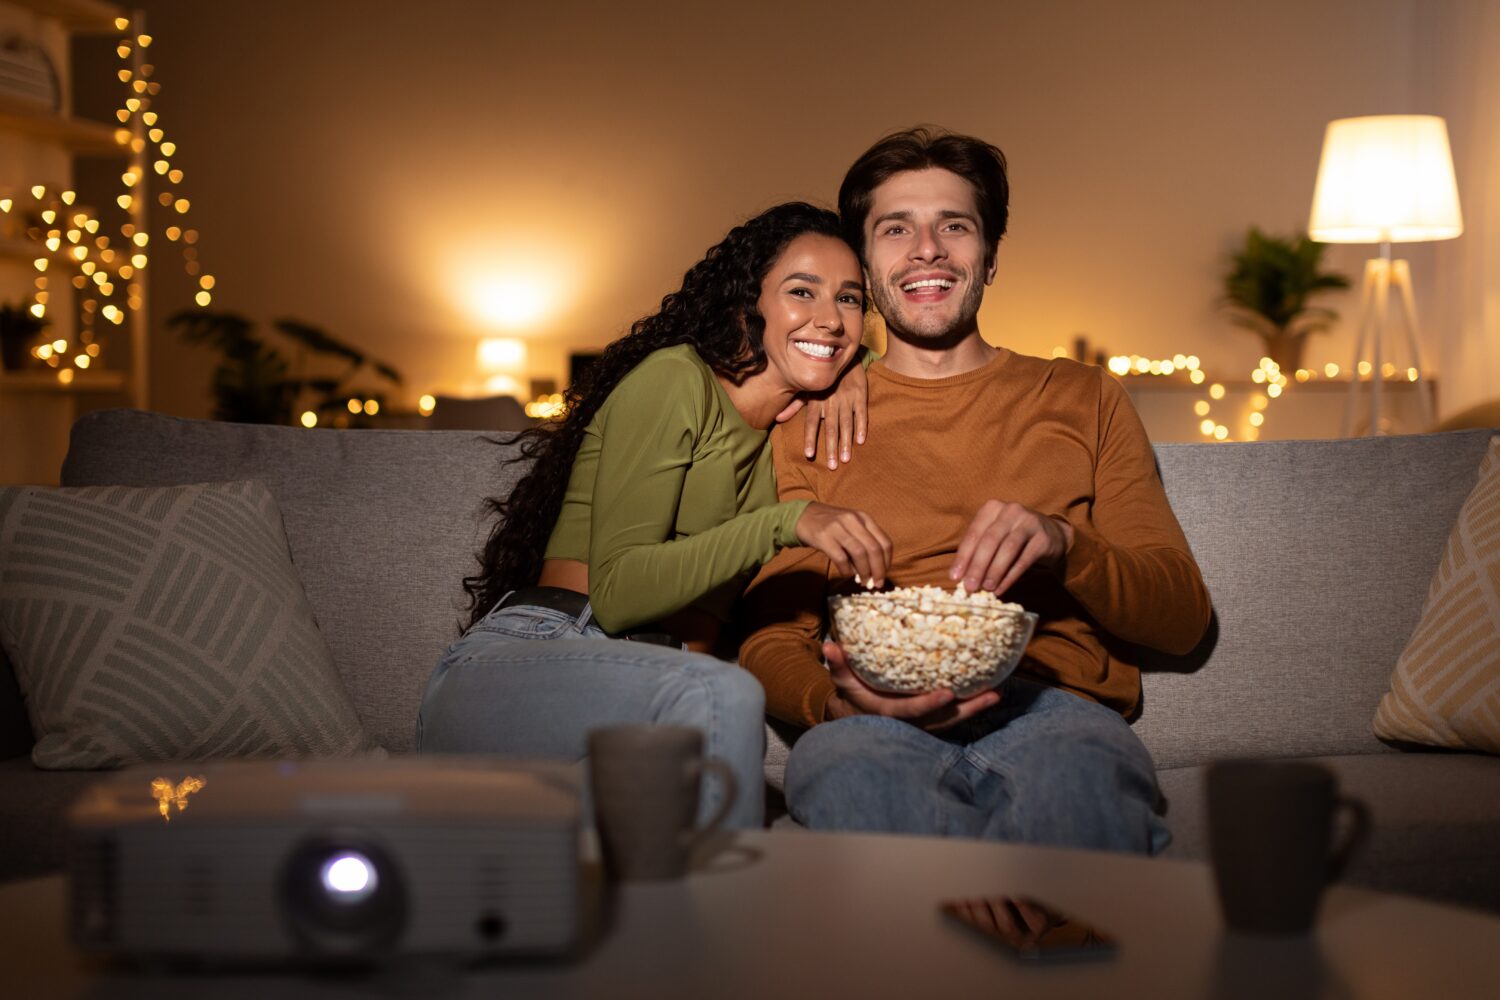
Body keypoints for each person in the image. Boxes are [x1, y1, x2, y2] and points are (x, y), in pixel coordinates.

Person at [737, 129, 1212, 851]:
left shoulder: (1083, 397)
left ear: (989, 257)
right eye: (896, 229)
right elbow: (773, 634)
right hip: (873, 722)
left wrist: (1065, 544)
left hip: (1055, 713)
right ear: (865, 264)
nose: (926, 248)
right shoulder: (808, 420)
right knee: (849, 787)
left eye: (953, 226)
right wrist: (833, 707)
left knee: (1086, 817)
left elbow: (1181, 618)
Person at [417, 202, 893, 830]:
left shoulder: (788, 433)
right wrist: (789, 521)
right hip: (534, 658)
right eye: (801, 291)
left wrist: (860, 368)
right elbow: (616, 595)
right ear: (746, 302)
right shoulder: (677, 381)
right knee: (721, 695)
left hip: (648, 692)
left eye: (851, 301)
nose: (830, 320)